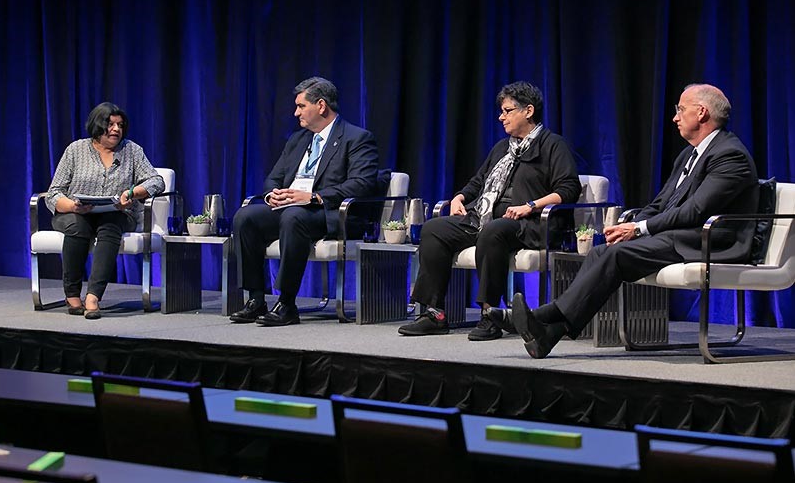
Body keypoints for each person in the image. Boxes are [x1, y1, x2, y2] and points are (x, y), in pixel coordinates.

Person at [510, 83, 759, 358]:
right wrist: (631, 224)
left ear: (701, 113)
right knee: (600, 252)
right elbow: (661, 203)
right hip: (679, 235)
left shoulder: (729, 155)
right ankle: (548, 335)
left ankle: (539, 315)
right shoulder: (690, 154)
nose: (675, 117)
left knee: (616, 255)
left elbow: (695, 211)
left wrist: (638, 228)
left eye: (681, 110)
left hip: (709, 241)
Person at [398, 81, 581, 338]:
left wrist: (530, 206)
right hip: (486, 217)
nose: (501, 117)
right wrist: (459, 197)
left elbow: (569, 188)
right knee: (434, 229)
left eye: (507, 111)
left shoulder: (552, 145)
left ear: (528, 111)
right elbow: (478, 182)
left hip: (531, 223)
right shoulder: (502, 148)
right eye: (501, 111)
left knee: (494, 231)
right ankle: (434, 313)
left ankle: (490, 313)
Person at [231, 76, 379, 327]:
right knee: (245, 217)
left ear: (321, 106)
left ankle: (287, 303)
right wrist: (272, 195)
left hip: (330, 212)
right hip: (291, 208)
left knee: (293, 217)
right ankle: (256, 299)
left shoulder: (357, 138)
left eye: (301, 106)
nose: (295, 112)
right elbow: (274, 177)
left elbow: (362, 183)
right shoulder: (298, 140)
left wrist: (314, 197)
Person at [46, 102, 165, 320]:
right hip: (74, 213)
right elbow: (54, 193)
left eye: (120, 125)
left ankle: (93, 297)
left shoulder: (132, 151)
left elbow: (157, 182)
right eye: (110, 124)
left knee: (110, 224)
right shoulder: (75, 150)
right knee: (77, 226)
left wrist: (131, 193)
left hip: (116, 213)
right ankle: (72, 294)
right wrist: (73, 206)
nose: (116, 129)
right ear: (97, 125)